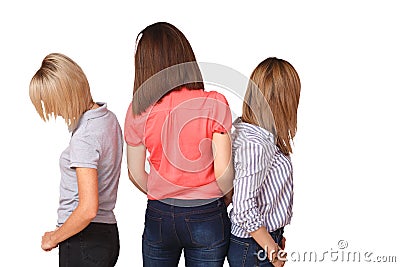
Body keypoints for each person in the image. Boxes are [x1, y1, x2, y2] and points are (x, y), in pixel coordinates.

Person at [124, 22, 233, 266]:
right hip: (206, 212)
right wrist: (224, 197)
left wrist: (161, 191)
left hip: (160, 213)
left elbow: (134, 173)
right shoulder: (214, 103)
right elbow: (224, 172)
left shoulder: (137, 110)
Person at [29, 53, 123, 267]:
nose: (55, 112)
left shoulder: (85, 137)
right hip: (106, 234)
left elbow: (88, 208)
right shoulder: (108, 118)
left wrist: (54, 237)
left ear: (66, 95)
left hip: (84, 239)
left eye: (53, 104)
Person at [227, 57, 301, 267]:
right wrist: (272, 250)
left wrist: (276, 237)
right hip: (253, 247)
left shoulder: (259, 135)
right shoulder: (255, 145)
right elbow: (243, 207)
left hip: (262, 241)